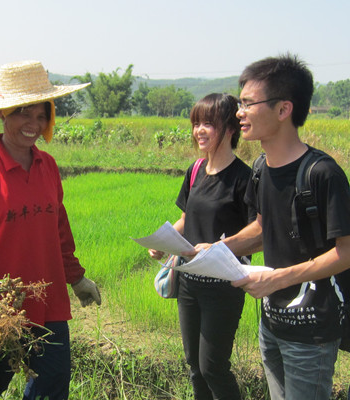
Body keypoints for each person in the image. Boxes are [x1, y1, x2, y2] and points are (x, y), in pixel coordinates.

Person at [0, 60, 101, 400]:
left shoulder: (48, 166)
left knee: (52, 386)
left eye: (42, 116)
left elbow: (59, 231)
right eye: (24, 113)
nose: (33, 124)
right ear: (3, 114)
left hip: (48, 301)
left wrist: (76, 278)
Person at [209, 54, 350, 400]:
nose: (239, 112)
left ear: (284, 109)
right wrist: (215, 249)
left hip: (311, 328)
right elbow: (261, 229)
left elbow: (346, 252)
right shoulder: (260, 169)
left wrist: (278, 278)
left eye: (247, 104)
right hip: (271, 324)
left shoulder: (322, 173)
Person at [149, 93, 255, 400]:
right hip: (188, 284)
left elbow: (256, 233)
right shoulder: (195, 170)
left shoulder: (244, 179)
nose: (199, 130)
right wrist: (163, 241)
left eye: (209, 123)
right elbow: (186, 218)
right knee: (194, 366)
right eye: (197, 123)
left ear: (231, 128)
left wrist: (219, 247)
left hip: (223, 288)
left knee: (213, 367)